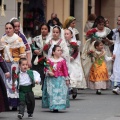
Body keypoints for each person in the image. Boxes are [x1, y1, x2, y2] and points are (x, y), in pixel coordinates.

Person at [0, 22, 26, 110]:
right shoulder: (2, 40)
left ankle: (15, 104)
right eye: (6, 28)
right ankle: (6, 104)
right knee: (5, 83)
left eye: (10, 28)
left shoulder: (18, 39)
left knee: (14, 82)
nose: (8, 30)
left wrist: (22, 65)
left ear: (13, 29)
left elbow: (22, 53)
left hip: (15, 64)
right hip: (4, 64)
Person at [82, 16, 113, 87]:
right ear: (97, 24)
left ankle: (103, 83)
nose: (101, 26)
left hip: (104, 49)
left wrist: (107, 40)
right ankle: (95, 82)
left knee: (105, 66)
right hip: (95, 50)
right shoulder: (93, 30)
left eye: (102, 24)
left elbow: (111, 42)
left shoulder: (107, 30)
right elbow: (88, 39)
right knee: (95, 66)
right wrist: (92, 38)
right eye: (100, 24)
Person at [42, 45, 70, 111]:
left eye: (60, 50)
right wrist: (49, 72)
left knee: (60, 93)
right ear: (53, 52)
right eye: (58, 50)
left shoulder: (62, 61)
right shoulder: (49, 60)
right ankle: (53, 106)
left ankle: (59, 106)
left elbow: (65, 70)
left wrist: (67, 79)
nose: (60, 52)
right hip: (51, 80)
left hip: (60, 79)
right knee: (52, 93)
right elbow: (46, 69)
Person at [64, 29, 86, 99]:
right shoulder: (62, 43)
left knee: (73, 74)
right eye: (65, 34)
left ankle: (74, 89)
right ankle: (67, 89)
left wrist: (72, 57)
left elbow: (76, 52)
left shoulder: (74, 43)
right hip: (65, 60)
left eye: (67, 34)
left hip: (72, 61)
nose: (66, 35)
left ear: (71, 35)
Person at [110, 15, 120, 94]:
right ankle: (117, 86)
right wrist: (114, 53)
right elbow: (116, 42)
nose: (118, 22)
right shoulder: (116, 31)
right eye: (118, 20)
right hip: (118, 50)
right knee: (117, 67)